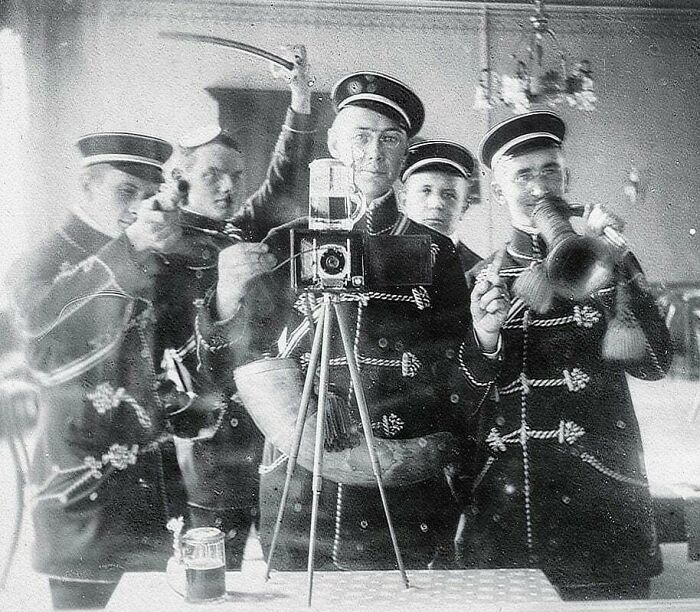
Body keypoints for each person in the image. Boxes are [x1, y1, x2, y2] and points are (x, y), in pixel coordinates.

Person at [455, 110, 673, 600]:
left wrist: (616, 263)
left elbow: (657, 365)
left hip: (601, 513)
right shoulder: (478, 280)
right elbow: (461, 398)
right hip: (507, 515)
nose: (538, 188)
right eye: (522, 176)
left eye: (550, 171)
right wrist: (485, 337)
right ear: (497, 191)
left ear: (568, 178)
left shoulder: (611, 259)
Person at [8, 132, 194, 609]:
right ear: (86, 188)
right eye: (124, 191)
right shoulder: (43, 256)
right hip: (79, 471)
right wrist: (129, 247)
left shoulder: (151, 256)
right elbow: (39, 332)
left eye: (147, 194)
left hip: (152, 472)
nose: (137, 205)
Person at [160, 46, 315, 570]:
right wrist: (224, 295)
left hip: (270, 429)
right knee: (212, 575)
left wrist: (298, 102)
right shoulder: (165, 251)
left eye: (236, 174)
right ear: (181, 181)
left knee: (284, 572)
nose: (229, 186)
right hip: (209, 438)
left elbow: (285, 176)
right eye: (212, 175)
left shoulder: (244, 228)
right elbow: (173, 363)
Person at [401, 140, 481, 272]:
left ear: (464, 207)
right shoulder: (380, 263)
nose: (436, 204)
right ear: (404, 201)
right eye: (425, 191)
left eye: (449, 195)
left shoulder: (478, 272)